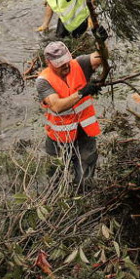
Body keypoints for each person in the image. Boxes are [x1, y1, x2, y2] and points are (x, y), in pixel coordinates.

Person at [36, 41, 103, 187]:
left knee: (86, 179)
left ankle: (84, 200)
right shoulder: (43, 81)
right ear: (49, 63)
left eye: (66, 60)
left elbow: (100, 57)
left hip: (84, 133)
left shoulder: (79, 64)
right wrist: (82, 92)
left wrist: (100, 42)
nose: (66, 65)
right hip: (59, 139)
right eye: (60, 63)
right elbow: (56, 106)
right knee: (56, 179)